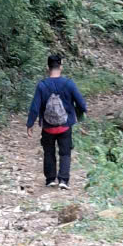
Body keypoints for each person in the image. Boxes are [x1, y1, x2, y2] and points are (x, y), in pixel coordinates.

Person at [26, 52, 87, 190]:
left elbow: (35, 107)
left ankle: (50, 179)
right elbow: (82, 104)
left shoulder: (42, 85)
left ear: (47, 68)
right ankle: (63, 180)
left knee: (49, 152)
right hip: (65, 126)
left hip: (48, 127)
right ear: (61, 67)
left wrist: (30, 124)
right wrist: (81, 112)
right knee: (65, 153)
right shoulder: (69, 84)